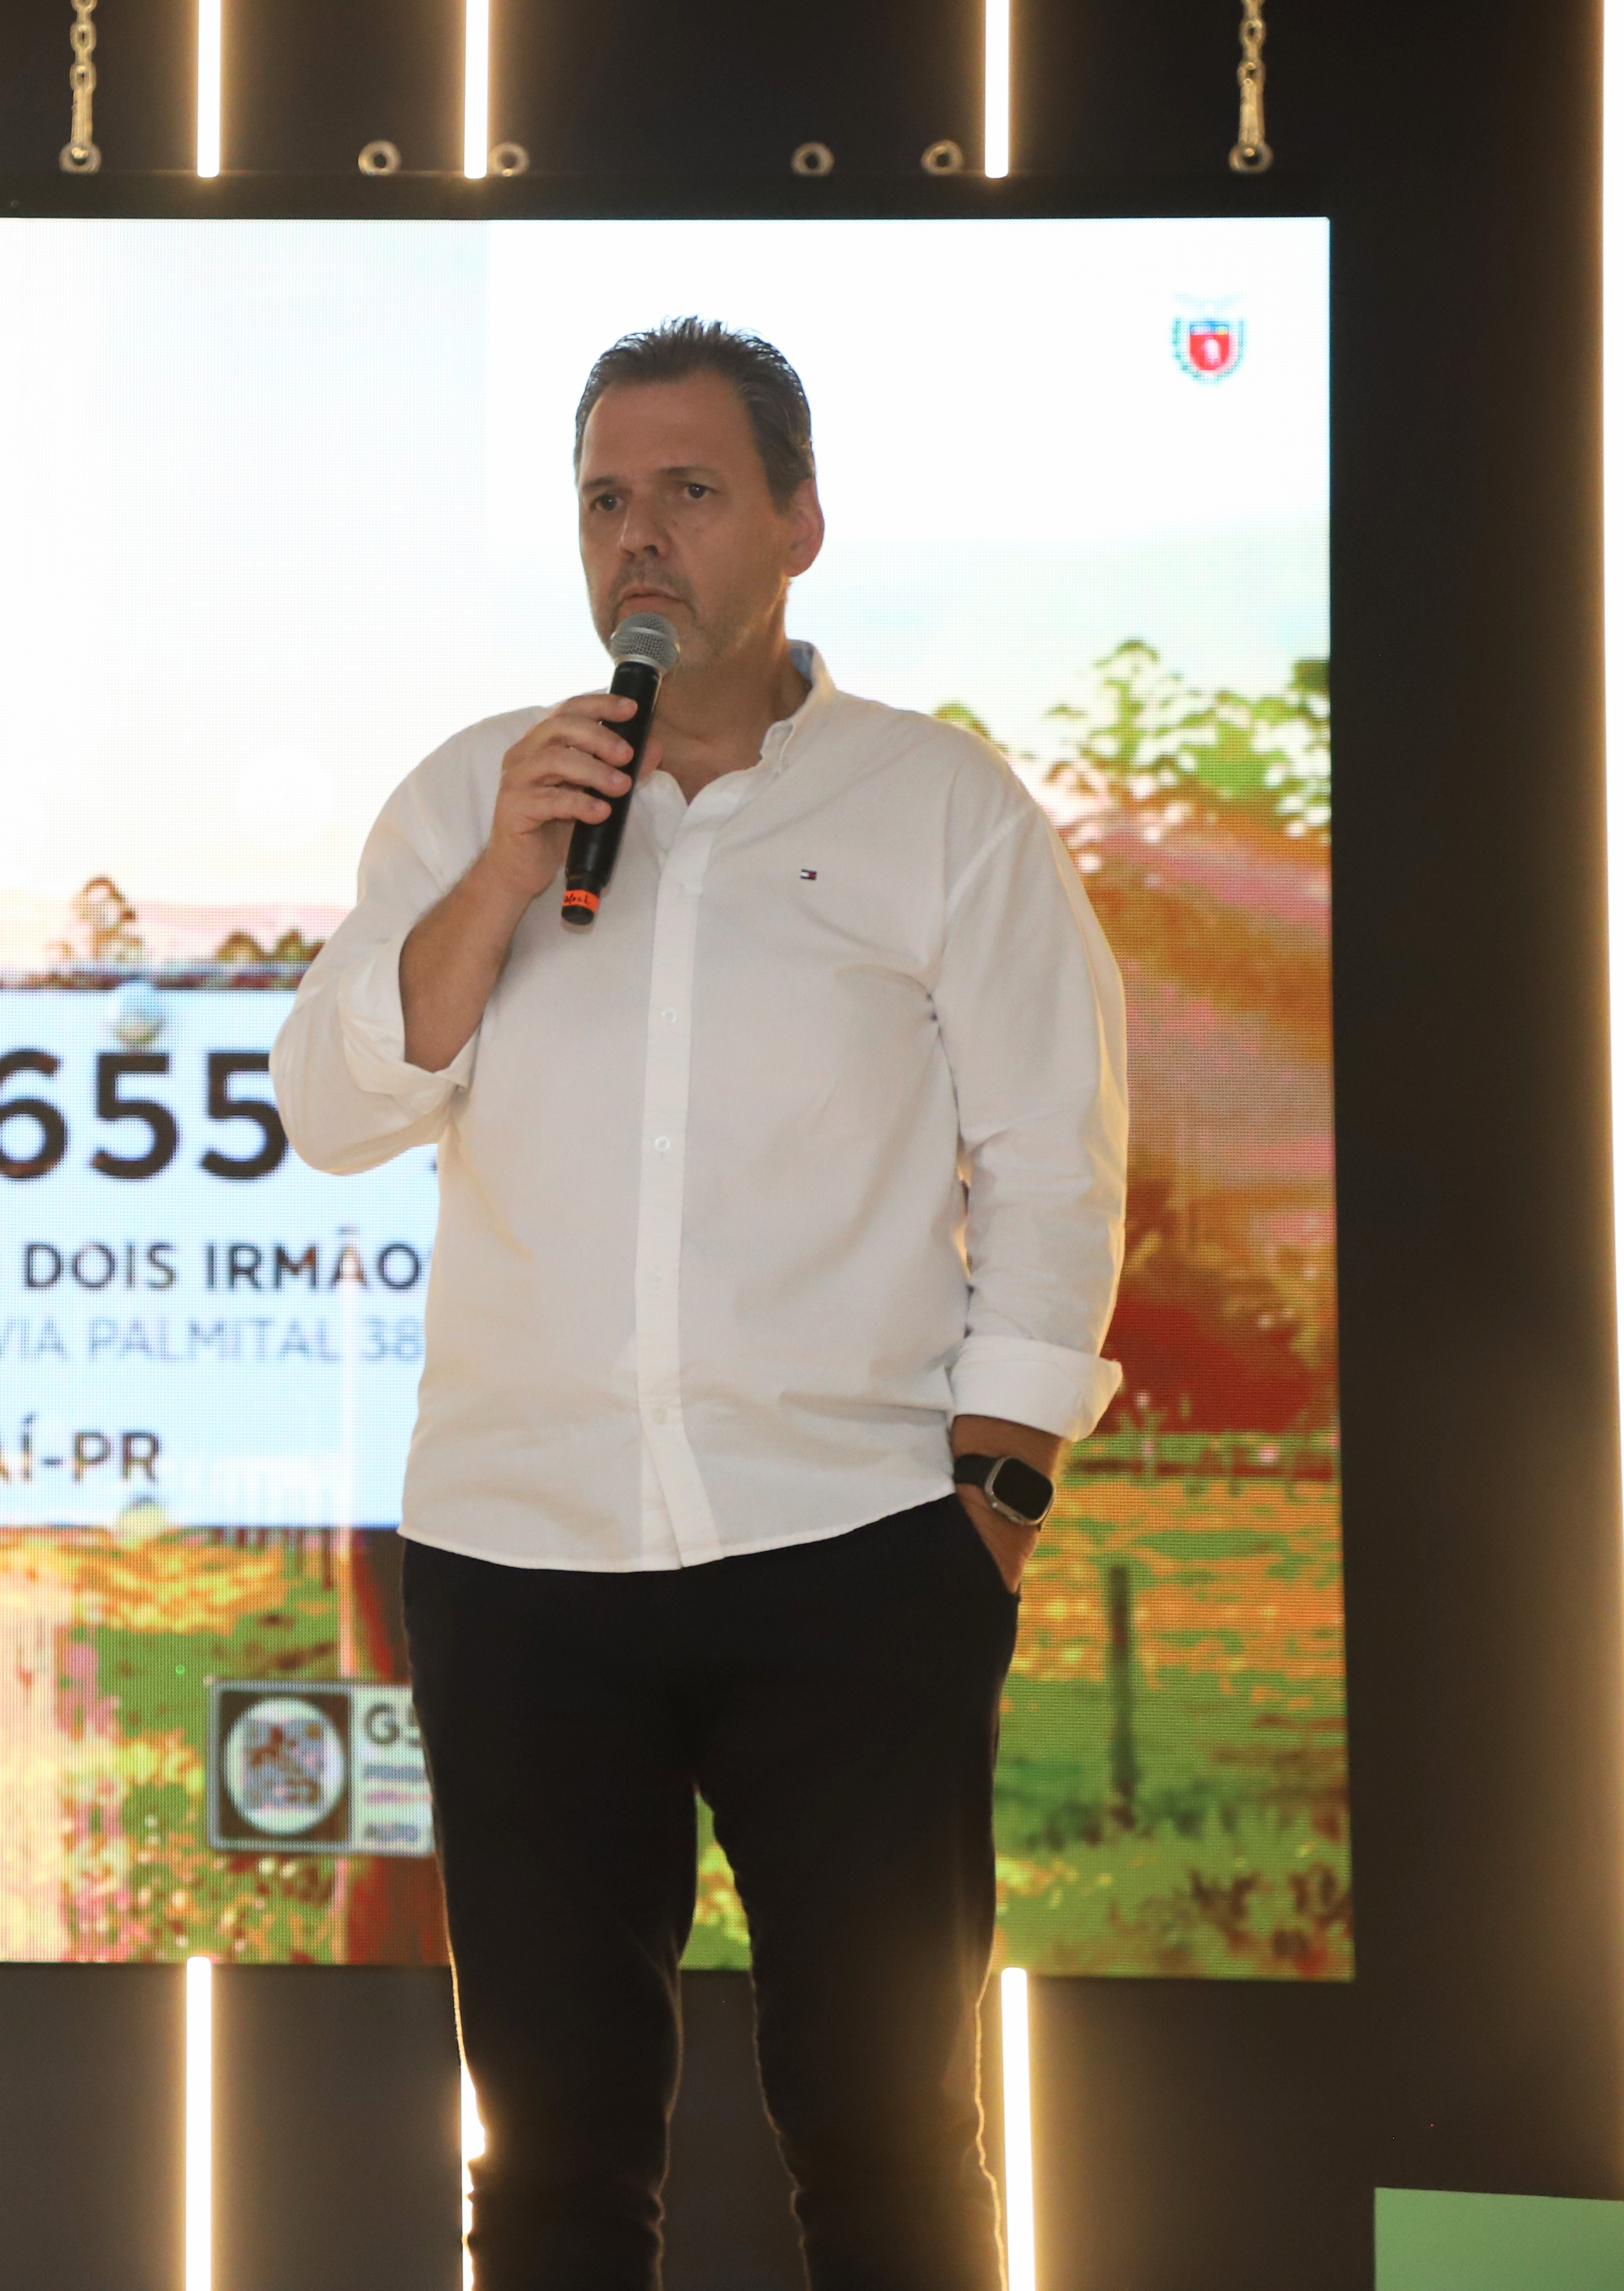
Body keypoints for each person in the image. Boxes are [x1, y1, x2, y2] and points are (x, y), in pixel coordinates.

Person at [272, 318, 1127, 2291]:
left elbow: (1057, 1162)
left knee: (889, 2137)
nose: (638, 538)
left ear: (800, 522)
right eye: (603, 500)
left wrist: (993, 1503)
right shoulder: (477, 798)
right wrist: (497, 877)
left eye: (689, 491)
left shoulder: (941, 807)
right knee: (551, 2164)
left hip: (855, 1554)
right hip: (521, 1559)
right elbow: (330, 1109)